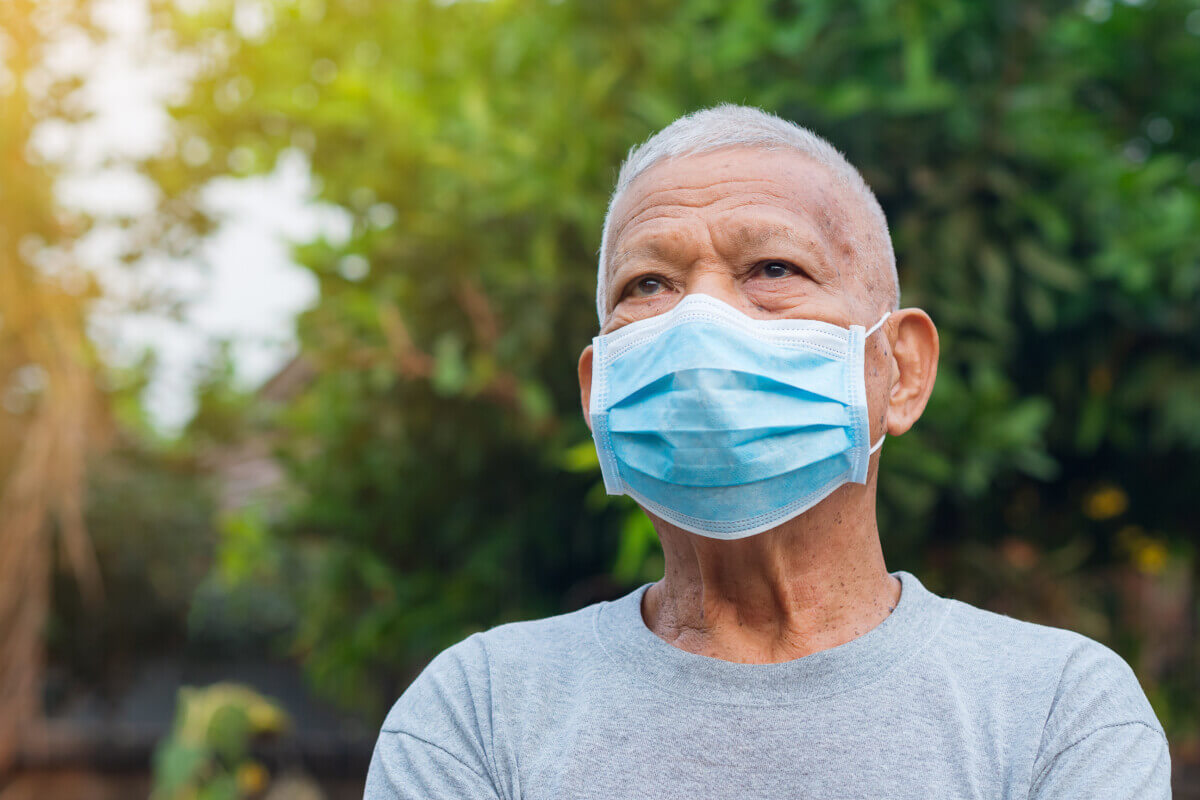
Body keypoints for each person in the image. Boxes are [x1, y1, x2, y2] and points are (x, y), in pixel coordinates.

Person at [364, 104, 1171, 799]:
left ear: (902, 372)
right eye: (648, 285)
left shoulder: (1059, 712)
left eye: (772, 269)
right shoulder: (479, 713)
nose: (699, 324)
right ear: (597, 389)